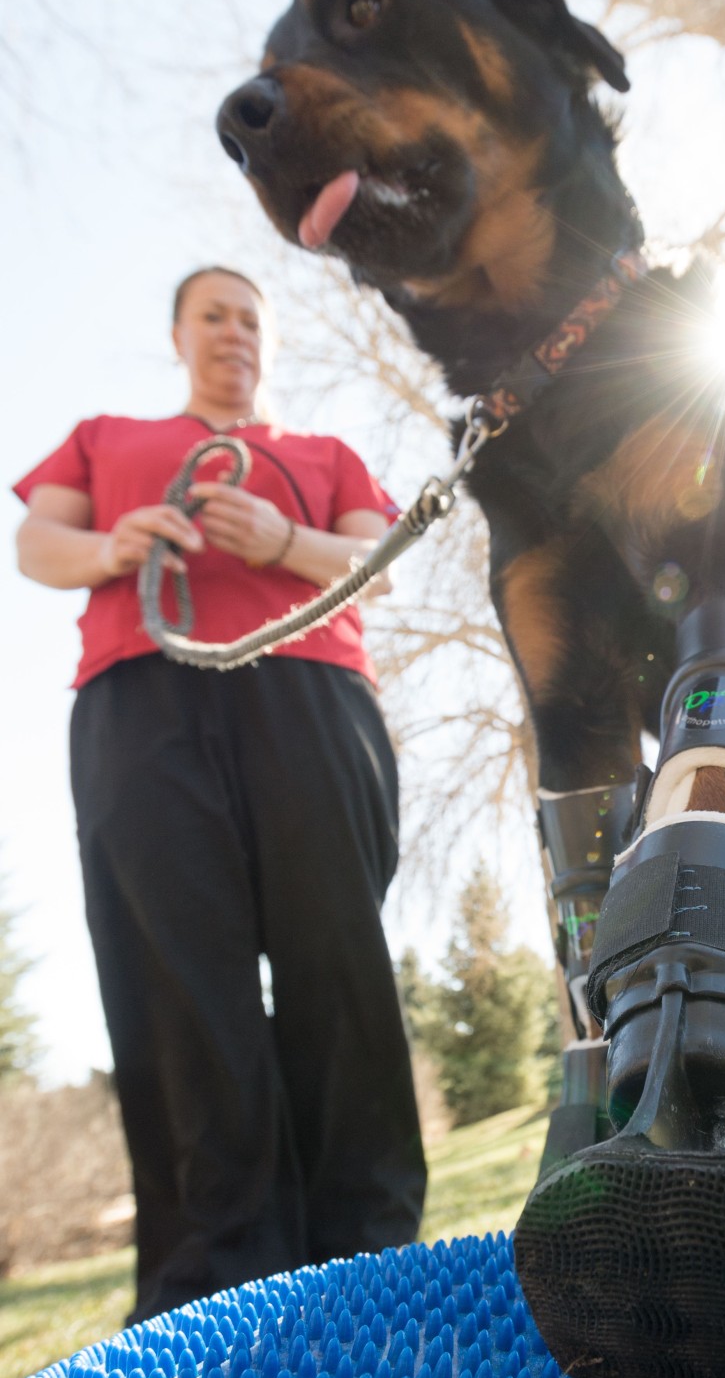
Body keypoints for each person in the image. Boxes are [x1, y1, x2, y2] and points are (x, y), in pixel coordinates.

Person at [14, 265, 426, 1322]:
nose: (234, 331)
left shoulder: (323, 457)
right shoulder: (106, 438)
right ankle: (215, 1284)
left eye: (251, 317)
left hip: (311, 689)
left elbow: (378, 563)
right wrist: (114, 544)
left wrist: (283, 542)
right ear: (178, 333)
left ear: (268, 343)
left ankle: (369, 1255)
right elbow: (34, 541)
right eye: (213, 314)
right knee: (179, 981)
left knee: (335, 956)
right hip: (140, 701)